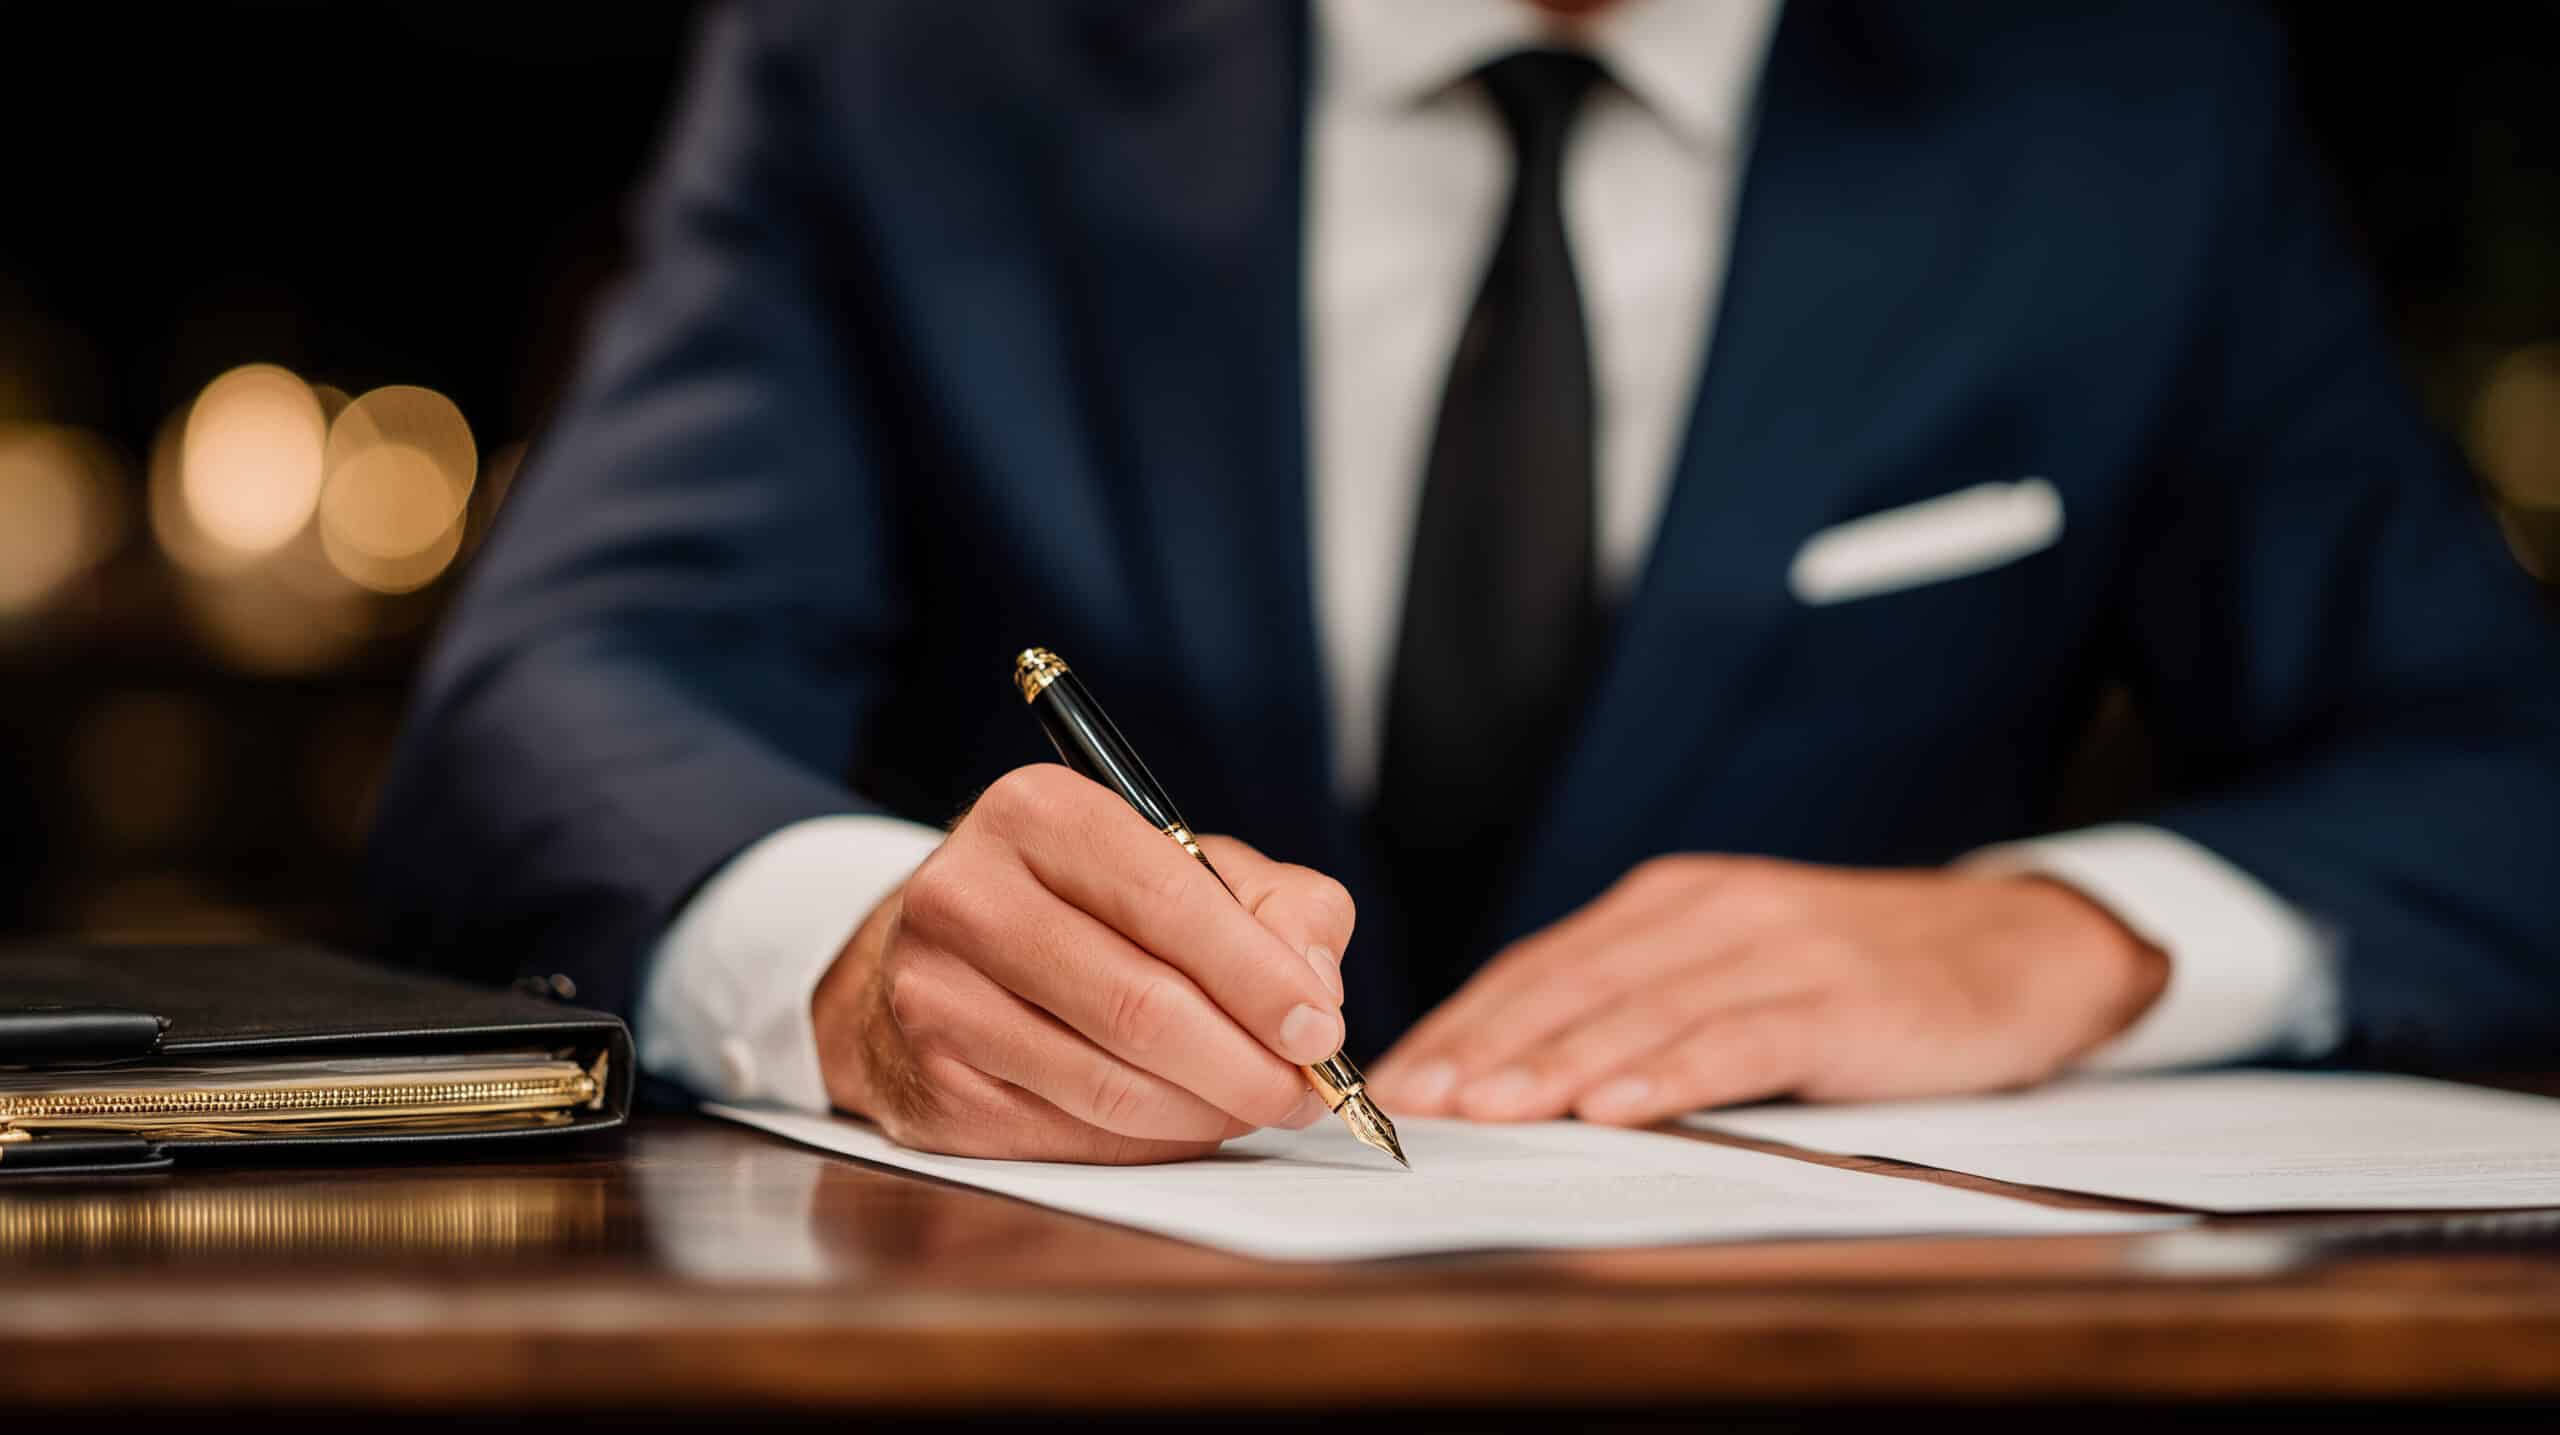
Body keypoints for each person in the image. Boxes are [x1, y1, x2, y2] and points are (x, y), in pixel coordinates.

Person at [370, 0, 2560, 1164]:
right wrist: (849, 961)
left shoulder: (2125, 91)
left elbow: (2491, 776)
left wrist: (2066, 935)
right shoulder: (907, 56)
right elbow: (550, 700)